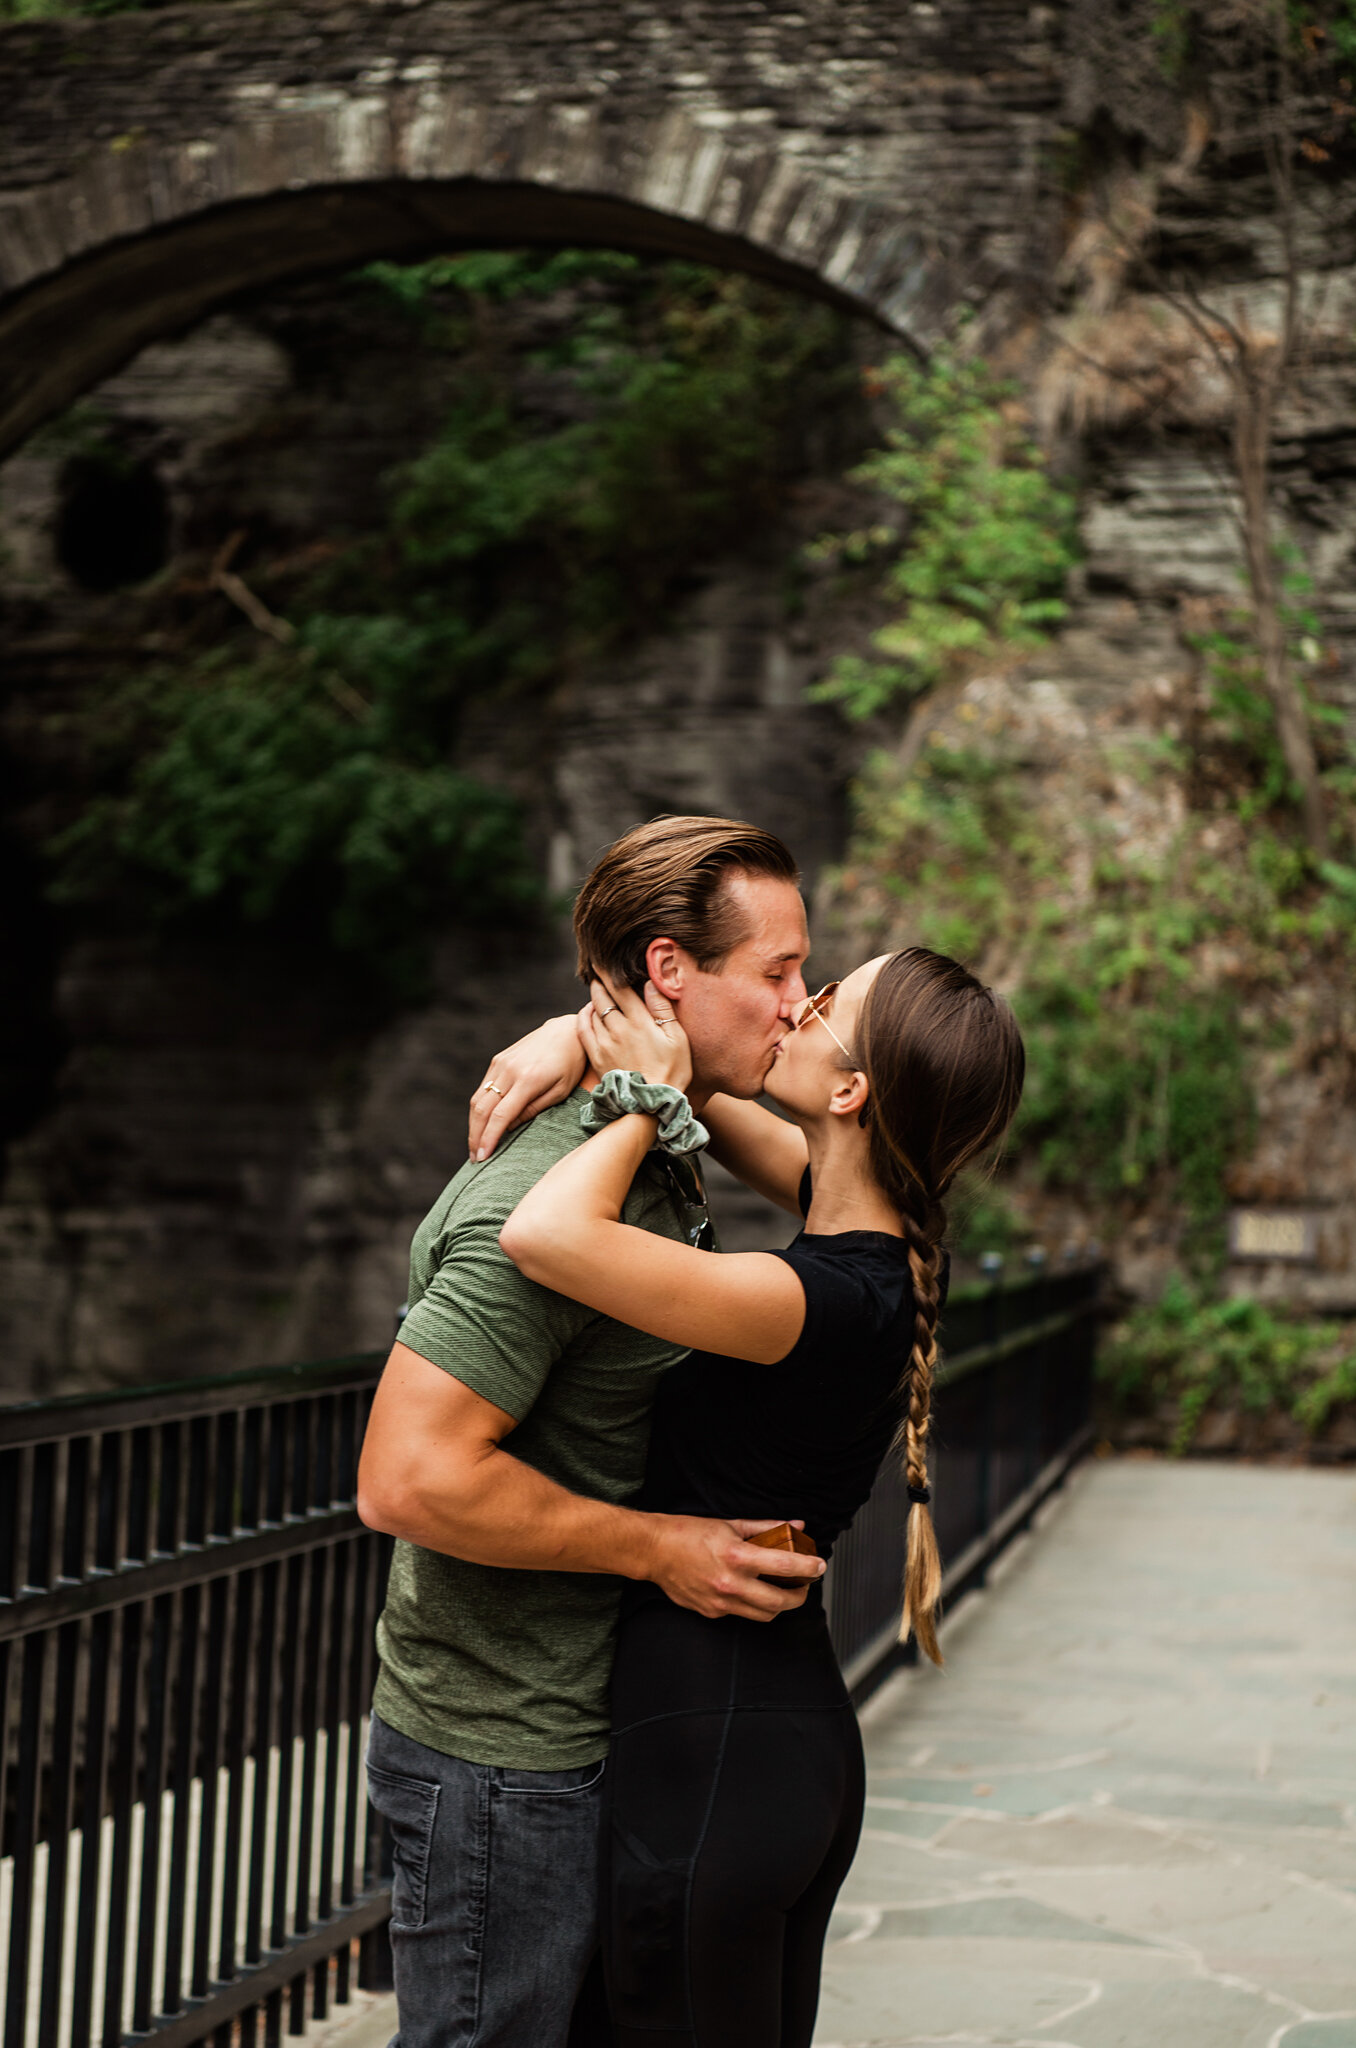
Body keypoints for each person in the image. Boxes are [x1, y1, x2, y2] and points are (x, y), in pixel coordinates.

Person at [494, 946, 1025, 2048]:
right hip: (772, 1743)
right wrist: (577, 1036)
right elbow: (724, 1092)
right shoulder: (887, 1240)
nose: (798, 999)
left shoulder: (811, 1298)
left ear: (850, 1090)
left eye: (827, 1000)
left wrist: (635, 1100)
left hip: (713, 1753)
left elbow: (543, 1237)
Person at [356, 816, 827, 2048]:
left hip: (563, 1730)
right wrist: (661, 1547)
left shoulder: (653, 1132)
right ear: (671, 971)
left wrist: (605, 1045)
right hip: (498, 1760)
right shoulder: (552, 1181)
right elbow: (405, 1478)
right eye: (776, 971)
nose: (797, 1001)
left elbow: (855, 1189)